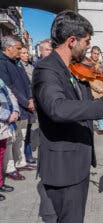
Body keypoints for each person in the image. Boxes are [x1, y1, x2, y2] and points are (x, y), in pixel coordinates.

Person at [32, 10, 103, 222]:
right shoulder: (46, 70)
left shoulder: (73, 70)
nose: (88, 47)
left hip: (78, 163)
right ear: (71, 41)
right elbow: (58, 108)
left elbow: (87, 106)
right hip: (63, 170)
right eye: (86, 42)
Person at [0, 35, 36, 182]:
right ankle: (9, 168)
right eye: (18, 48)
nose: (20, 51)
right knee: (10, 139)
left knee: (20, 136)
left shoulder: (16, 62)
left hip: (24, 105)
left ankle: (20, 162)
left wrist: (30, 98)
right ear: (8, 47)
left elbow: (26, 82)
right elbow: (9, 87)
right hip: (13, 107)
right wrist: (25, 102)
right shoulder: (2, 63)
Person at [0, 78, 19, 201]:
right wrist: (7, 115)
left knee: (1, 154)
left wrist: (15, 111)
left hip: (4, 124)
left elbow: (10, 93)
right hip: (4, 118)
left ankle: (0, 183)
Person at [19, 46, 38, 165]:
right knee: (24, 132)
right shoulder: (19, 67)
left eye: (27, 52)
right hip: (25, 101)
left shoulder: (30, 65)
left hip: (33, 99)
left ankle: (28, 154)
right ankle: (27, 156)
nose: (27, 55)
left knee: (29, 130)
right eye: (24, 53)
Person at [88, 46, 103, 135]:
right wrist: (98, 88)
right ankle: (88, 128)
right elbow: (88, 80)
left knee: (101, 110)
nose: (96, 55)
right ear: (91, 53)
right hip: (93, 91)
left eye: (98, 54)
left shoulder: (101, 64)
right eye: (94, 53)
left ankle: (100, 129)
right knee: (91, 111)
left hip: (102, 90)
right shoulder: (88, 64)